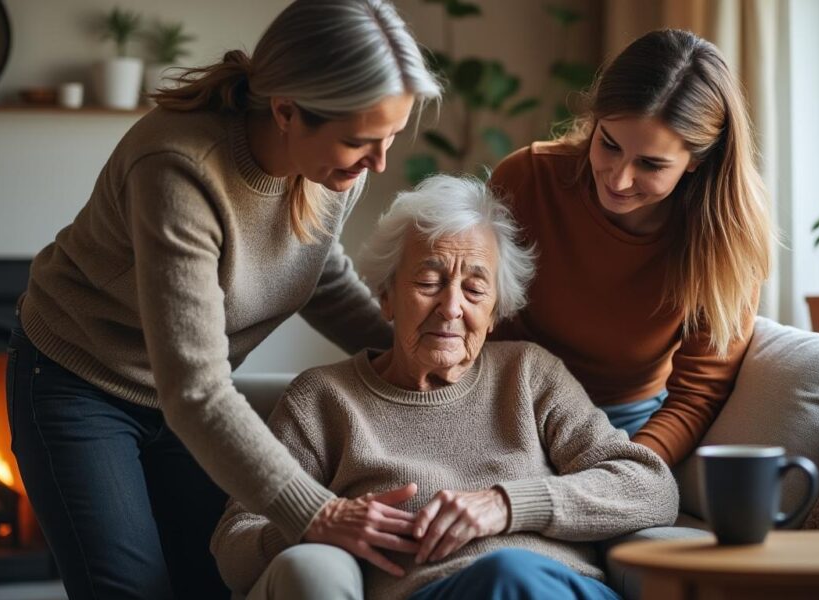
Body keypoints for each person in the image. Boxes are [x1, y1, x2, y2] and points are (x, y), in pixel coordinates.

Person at [4, 2, 440, 599]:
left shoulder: (335, 165)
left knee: (213, 583)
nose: (379, 162)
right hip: (82, 382)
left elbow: (316, 271)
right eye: (361, 141)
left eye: (391, 135)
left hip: (185, 396)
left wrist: (418, 354)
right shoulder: (178, 168)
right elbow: (196, 390)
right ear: (286, 110)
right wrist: (323, 513)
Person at [210, 174, 679, 600]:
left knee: (509, 573)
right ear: (387, 297)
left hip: (554, 587)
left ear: (495, 313)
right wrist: (318, 522)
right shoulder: (324, 399)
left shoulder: (529, 374)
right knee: (503, 577)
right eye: (429, 281)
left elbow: (652, 488)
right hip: (433, 593)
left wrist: (507, 505)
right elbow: (235, 543)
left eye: (475, 290)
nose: (451, 307)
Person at [488, 29, 773, 466]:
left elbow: (697, 395)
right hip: (505, 405)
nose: (618, 179)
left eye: (651, 164)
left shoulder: (727, 239)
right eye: (609, 144)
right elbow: (473, 325)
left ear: (697, 160)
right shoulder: (526, 180)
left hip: (627, 425)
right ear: (596, 120)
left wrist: (628, 469)